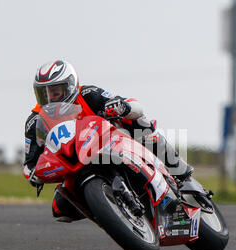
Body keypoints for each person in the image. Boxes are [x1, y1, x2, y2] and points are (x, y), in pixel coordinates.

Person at [23, 59, 193, 222]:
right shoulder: (35, 121)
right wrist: (34, 173)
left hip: (110, 143)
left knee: (139, 123)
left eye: (55, 91)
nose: (50, 98)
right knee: (60, 208)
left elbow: (130, 104)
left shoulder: (88, 94)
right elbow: (29, 162)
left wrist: (121, 106)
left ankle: (181, 174)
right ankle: (111, 214)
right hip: (74, 164)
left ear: (69, 86)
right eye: (43, 93)